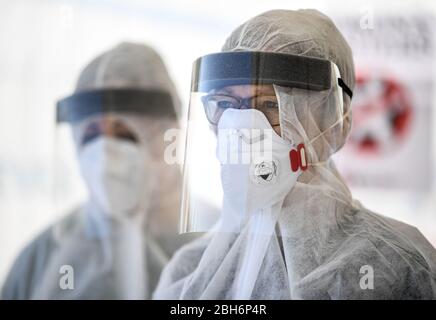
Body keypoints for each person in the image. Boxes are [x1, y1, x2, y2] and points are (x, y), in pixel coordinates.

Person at [154, 10, 436, 299]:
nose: (239, 126)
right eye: (225, 104)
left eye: (271, 104)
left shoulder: (397, 268)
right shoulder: (188, 273)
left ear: (334, 121)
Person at [1, 42, 189, 299]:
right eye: (91, 134)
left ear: (166, 137)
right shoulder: (42, 258)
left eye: (123, 133)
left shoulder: (217, 252)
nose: (105, 152)